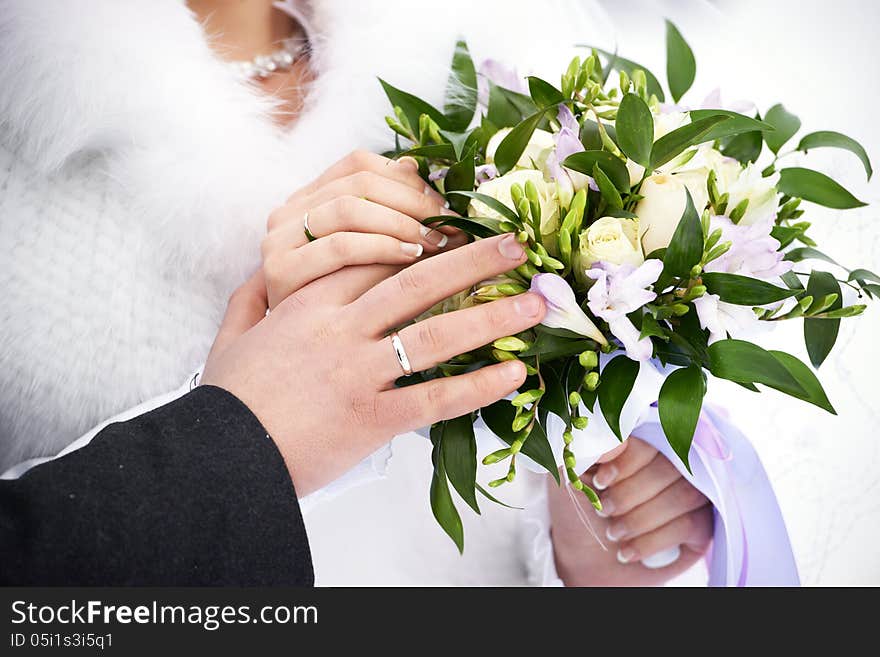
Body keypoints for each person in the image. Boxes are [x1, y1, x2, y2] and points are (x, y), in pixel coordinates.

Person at [0, 0, 713, 585]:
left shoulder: (490, 61)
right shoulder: (28, 134)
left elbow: (508, 510)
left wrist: (581, 546)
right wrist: (238, 427)